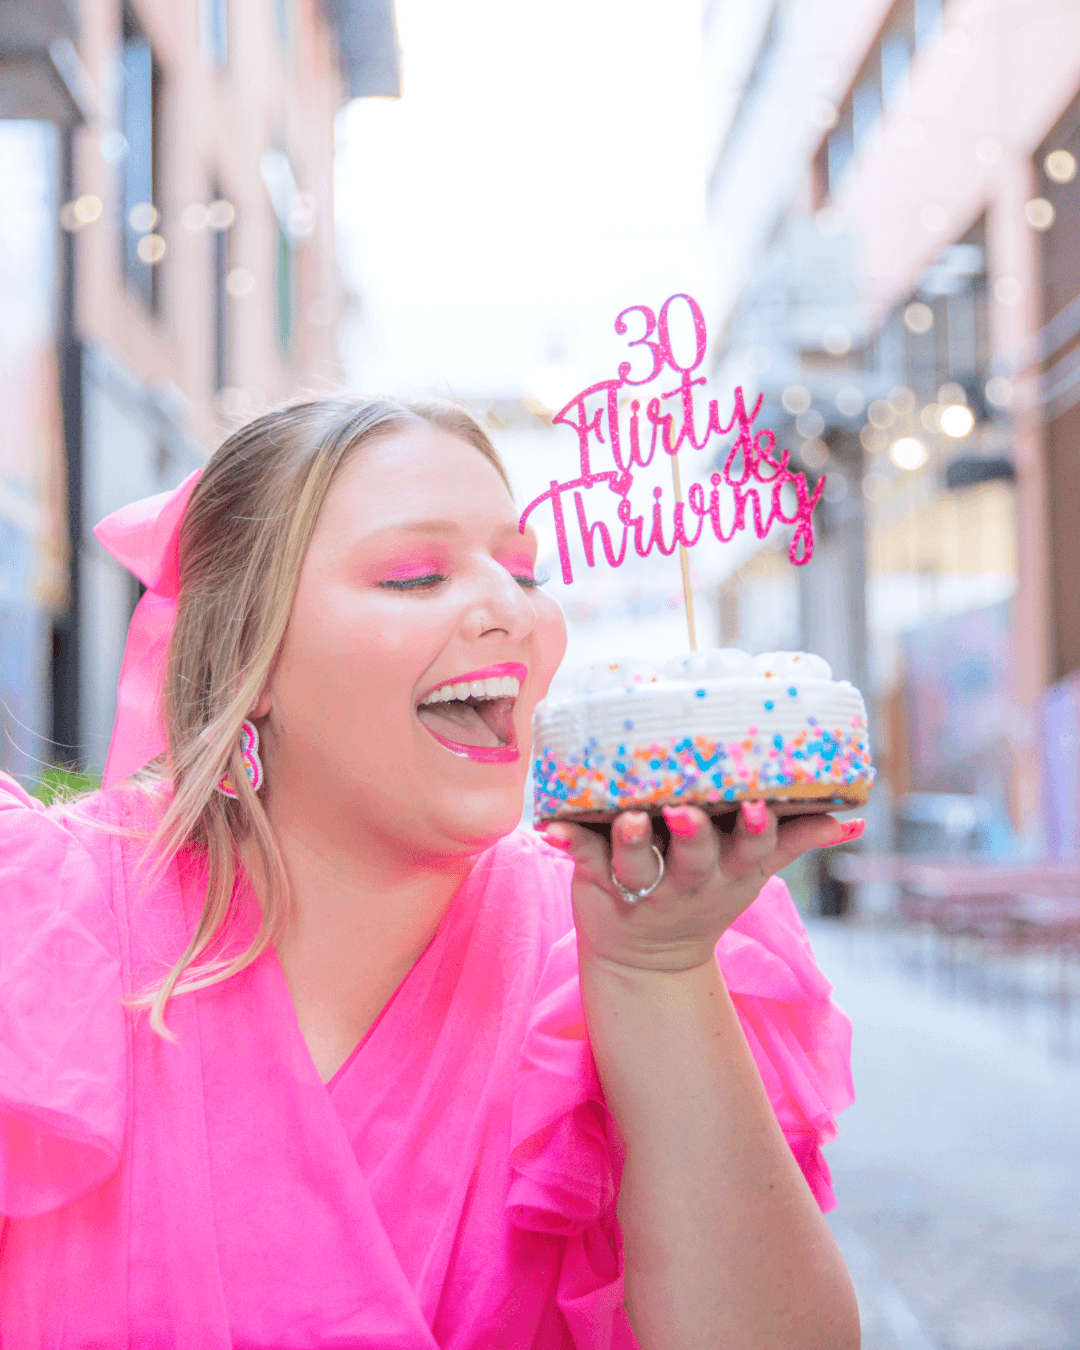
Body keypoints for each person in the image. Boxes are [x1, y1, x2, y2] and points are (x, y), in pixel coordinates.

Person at [0, 397, 860, 1349]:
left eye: (525, 570)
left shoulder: (618, 941)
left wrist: (656, 972)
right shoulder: (34, 925)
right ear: (252, 652)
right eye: (416, 576)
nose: (513, 610)